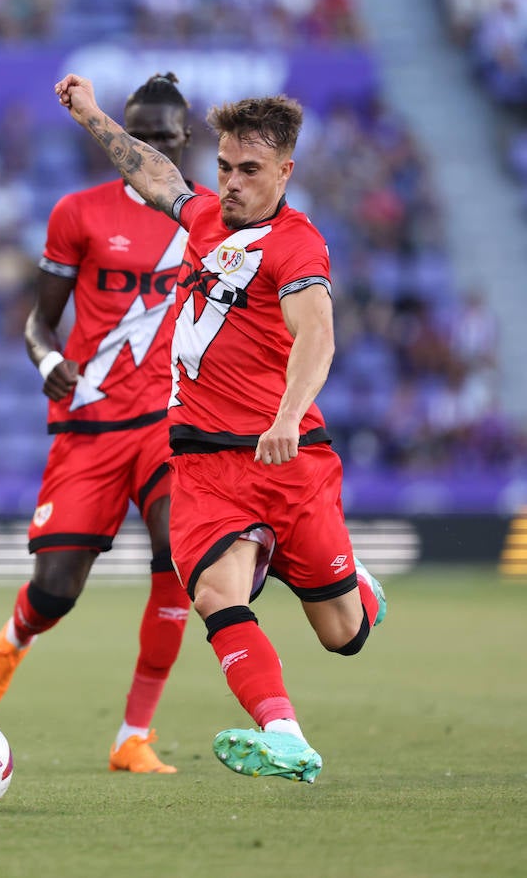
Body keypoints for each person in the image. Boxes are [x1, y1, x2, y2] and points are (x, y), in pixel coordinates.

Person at [53, 72, 388, 783]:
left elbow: (317, 339)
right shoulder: (206, 217)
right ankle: (286, 735)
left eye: (250, 171)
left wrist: (289, 418)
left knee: (343, 636)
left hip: (288, 459)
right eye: (225, 167)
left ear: (286, 171)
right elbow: (156, 173)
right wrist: (90, 114)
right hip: (204, 463)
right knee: (213, 593)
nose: (231, 183)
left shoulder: (298, 248)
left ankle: (356, 590)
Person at [0, 74, 200, 775]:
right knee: (57, 590)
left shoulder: (210, 219)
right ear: (117, 138)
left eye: (165, 137)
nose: (152, 148)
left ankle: (134, 735)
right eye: (141, 135)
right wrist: (46, 364)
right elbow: (39, 322)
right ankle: (16, 635)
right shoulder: (78, 214)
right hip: (90, 420)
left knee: (177, 553)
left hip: (170, 421)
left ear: (186, 140)